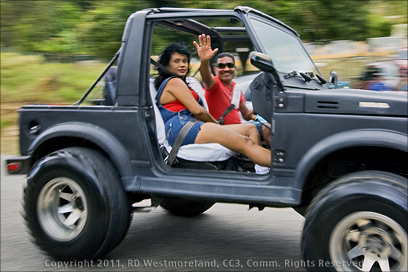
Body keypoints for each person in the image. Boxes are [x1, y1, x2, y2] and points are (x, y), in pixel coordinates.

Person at [154, 42, 271, 167]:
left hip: (190, 125)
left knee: (251, 128)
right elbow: (198, 111)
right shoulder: (174, 82)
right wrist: (217, 126)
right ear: (166, 65)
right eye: (176, 61)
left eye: (185, 61)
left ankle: (259, 169)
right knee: (245, 142)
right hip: (181, 127)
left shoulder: (182, 83)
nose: (182, 65)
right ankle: (286, 168)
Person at [193, 34, 271, 146]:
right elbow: (206, 76)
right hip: (222, 130)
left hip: (238, 129)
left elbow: (246, 115)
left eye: (230, 65)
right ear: (215, 70)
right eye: (222, 66)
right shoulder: (214, 84)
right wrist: (204, 61)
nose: (226, 69)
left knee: (269, 125)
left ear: (234, 68)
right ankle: (272, 161)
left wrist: (263, 106)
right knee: (267, 128)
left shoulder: (236, 88)